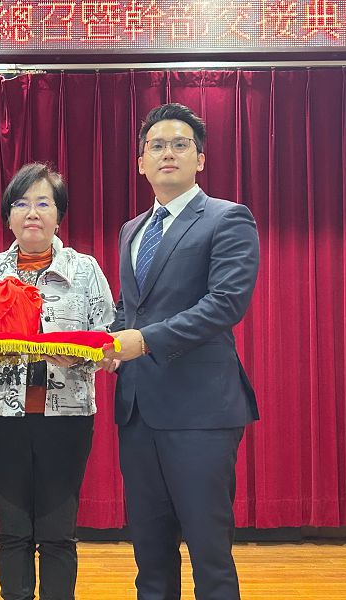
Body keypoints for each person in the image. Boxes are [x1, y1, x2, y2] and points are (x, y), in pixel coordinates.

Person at [103, 103, 260, 600]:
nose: (167, 153)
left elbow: (225, 303)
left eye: (179, 144)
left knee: (210, 557)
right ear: (141, 162)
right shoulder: (132, 229)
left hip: (200, 413)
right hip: (137, 412)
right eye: (156, 146)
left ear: (200, 159)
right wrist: (104, 346)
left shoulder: (227, 218)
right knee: (150, 560)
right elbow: (129, 308)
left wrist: (144, 340)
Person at [0, 162, 116, 600]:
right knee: (12, 530)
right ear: (8, 215)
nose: (32, 213)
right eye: (21, 204)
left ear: (59, 215)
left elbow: (110, 338)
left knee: (58, 532)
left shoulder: (84, 269)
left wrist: (87, 354)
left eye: (43, 203)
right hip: (2, 416)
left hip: (67, 417)